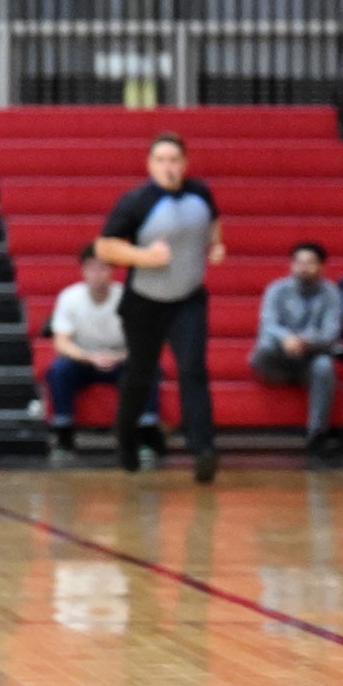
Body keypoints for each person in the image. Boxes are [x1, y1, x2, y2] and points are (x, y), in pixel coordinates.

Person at [94, 132, 225, 483]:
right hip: (144, 302)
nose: (169, 166)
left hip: (188, 299)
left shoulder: (201, 193)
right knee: (141, 373)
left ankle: (203, 450)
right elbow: (105, 247)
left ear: (185, 163)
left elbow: (212, 222)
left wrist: (216, 245)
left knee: (192, 369)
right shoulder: (137, 201)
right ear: (150, 164)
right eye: (161, 160)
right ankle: (125, 440)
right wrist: (144, 256)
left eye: (174, 159)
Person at [248, 242, 343, 457]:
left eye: (310, 262)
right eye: (299, 262)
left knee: (324, 366)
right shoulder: (277, 289)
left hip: (311, 356)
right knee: (264, 348)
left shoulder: (331, 293)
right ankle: (282, 376)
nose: (303, 267)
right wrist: (287, 338)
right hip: (279, 355)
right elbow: (268, 323)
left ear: (322, 267)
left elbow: (331, 332)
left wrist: (305, 341)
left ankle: (317, 434)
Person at [43, 245, 160, 465]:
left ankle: (146, 436)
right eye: (92, 268)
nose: (97, 274)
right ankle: (64, 437)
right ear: (83, 271)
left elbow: (144, 343)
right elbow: (61, 342)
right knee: (58, 370)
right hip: (84, 360)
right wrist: (89, 357)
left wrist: (119, 356)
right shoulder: (70, 297)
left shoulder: (128, 297)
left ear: (112, 271)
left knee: (149, 368)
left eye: (103, 268)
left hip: (120, 360)